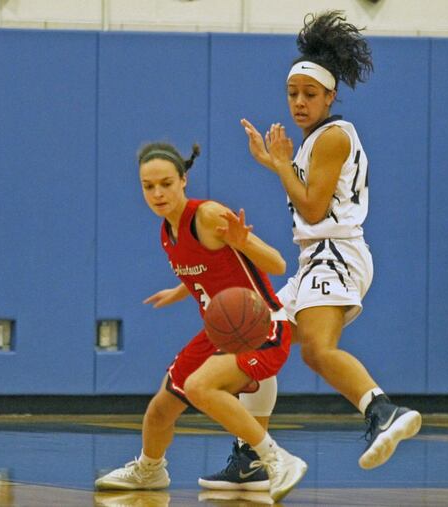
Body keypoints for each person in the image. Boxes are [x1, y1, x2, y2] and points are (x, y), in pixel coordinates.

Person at [199, 11, 422, 491]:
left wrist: (280, 167)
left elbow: (316, 210)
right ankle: (252, 456)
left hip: (335, 253)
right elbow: (311, 198)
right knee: (260, 340)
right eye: (293, 94)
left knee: (319, 351)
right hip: (317, 257)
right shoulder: (315, 141)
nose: (299, 103)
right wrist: (276, 162)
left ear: (331, 96)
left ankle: (384, 411)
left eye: (310, 95)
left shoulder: (335, 136)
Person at [94, 142, 307, 503]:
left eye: (165, 183)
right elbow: (205, 271)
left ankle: (275, 459)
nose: (158, 193)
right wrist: (177, 292)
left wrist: (245, 243)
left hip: (260, 326)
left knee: (199, 386)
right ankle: (150, 469)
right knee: (162, 406)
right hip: (219, 331)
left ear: (183, 180)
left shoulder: (207, 215)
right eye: (148, 186)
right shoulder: (167, 231)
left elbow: (277, 264)